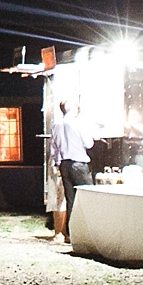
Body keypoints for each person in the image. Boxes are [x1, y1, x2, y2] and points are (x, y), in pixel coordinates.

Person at [50, 99, 91, 245]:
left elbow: (54, 148)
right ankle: (87, 232)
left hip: (64, 164)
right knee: (88, 197)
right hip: (78, 163)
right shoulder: (77, 123)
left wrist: (56, 163)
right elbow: (89, 143)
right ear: (72, 109)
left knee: (71, 200)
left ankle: (72, 233)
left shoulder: (56, 125)